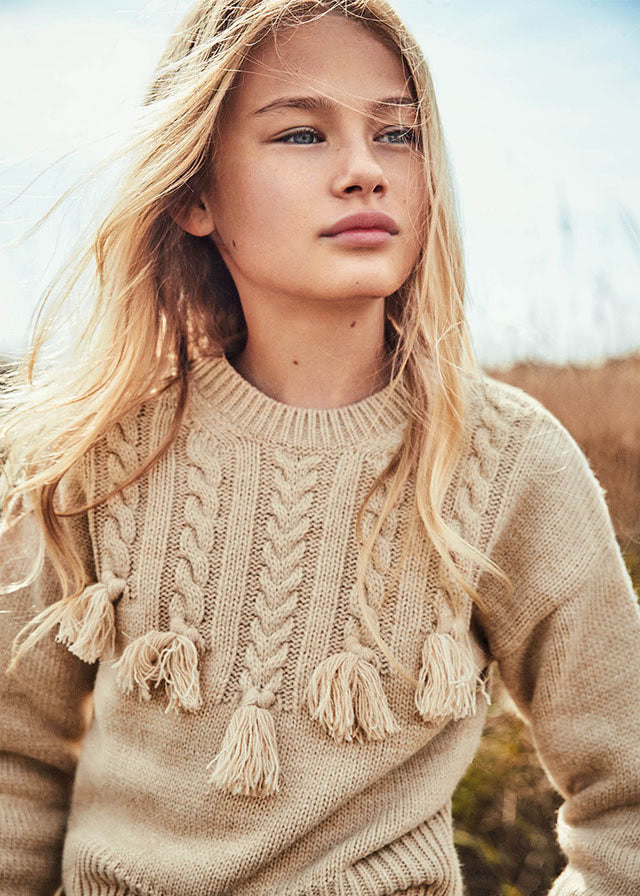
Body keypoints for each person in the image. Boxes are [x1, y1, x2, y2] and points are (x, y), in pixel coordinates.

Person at [1, 0, 639, 894]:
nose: (363, 171)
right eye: (302, 135)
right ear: (193, 193)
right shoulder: (100, 452)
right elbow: (14, 765)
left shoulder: (506, 465)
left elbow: (630, 800)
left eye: (399, 134)